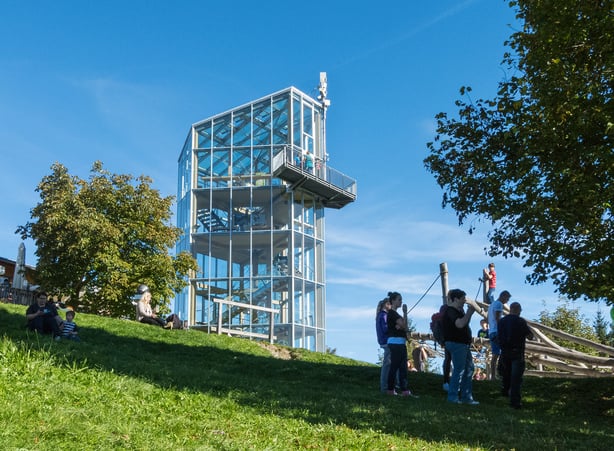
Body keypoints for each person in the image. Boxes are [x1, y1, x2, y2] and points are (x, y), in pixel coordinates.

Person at [442, 288, 479, 405]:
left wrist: (467, 313)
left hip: (462, 344)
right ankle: (453, 397)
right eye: (463, 299)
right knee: (460, 370)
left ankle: (466, 397)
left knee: (469, 368)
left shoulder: (457, 311)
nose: (465, 301)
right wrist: (470, 312)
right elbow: (460, 324)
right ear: (456, 299)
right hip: (457, 343)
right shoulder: (451, 311)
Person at [498, 302, 534, 409]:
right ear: (517, 309)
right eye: (520, 310)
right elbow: (530, 336)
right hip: (517, 351)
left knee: (506, 374)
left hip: (505, 351)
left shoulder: (502, 321)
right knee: (516, 378)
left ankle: (505, 391)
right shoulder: (520, 321)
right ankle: (515, 402)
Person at [385, 291, 416, 397]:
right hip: (396, 343)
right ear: (393, 301)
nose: (401, 302)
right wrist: (405, 313)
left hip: (398, 342)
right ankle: (396, 390)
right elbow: (405, 326)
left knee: (400, 367)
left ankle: (398, 390)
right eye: (399, 299)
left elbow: (403, 326)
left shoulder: (394, 314)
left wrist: (402, 325)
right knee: (398, 367)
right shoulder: (392, 313)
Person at [487, 290, 511, 380]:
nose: (507, 301)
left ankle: (493, 376)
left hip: (491, 331)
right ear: (503, 296)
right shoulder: (499, 304)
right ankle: (502, 373)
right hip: (497, 331)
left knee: (495, 354)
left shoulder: (491, 305)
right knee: (505, 352)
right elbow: (498, 318)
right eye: (507, 299)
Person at [376, 297, 394, 392]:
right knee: (387, 363)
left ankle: (388, 386)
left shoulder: (381, 315)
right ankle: (384, 387)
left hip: (384, 340)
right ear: (386, 304)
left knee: (389, 363)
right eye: (390, 304)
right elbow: (385, 329)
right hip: (386, 341)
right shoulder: (383, 315)